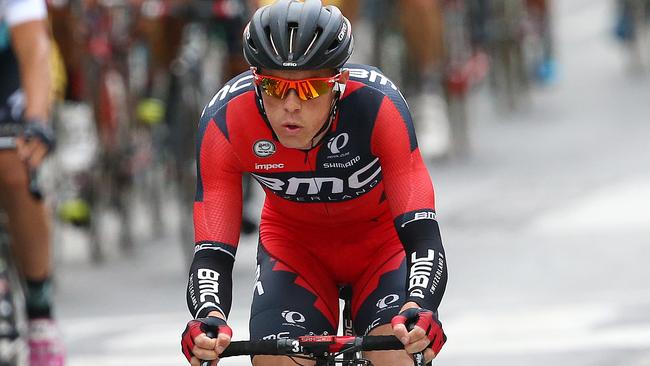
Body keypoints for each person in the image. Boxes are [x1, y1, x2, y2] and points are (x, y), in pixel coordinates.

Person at [180, 1, 448, 365]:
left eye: (309, 90)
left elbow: (422, 232)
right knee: (275, 361)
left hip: (382, 249)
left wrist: (421, 305)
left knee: (397, 353)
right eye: (273, 87)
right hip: (295, 251)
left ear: (337, 85)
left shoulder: (377, 104)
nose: (290, 104)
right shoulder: (226, 120)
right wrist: (208, 318)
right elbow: (212, 250)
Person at [0, 0, 65, 365]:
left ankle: (40, 313)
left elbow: (35, 50)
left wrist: (37, 121)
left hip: (7, 67)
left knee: (15, 164)